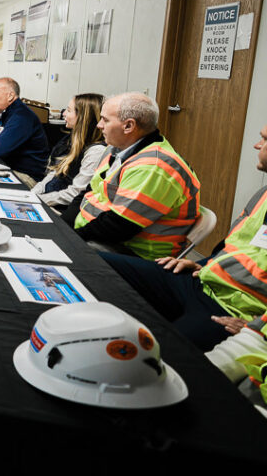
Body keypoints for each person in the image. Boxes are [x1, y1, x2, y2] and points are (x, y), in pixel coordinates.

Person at [100, 123, 266, 351]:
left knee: (160, 355)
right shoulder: (263, 194)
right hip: (202, 281)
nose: (257, 145)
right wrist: (203, 263)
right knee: (96, 264)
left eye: (265, 140)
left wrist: (257, 329)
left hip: (233, 311)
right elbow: (235, 248)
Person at [71, 92, 200, 260]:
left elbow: (118, 227)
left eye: (105, 120)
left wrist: (70, 238)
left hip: (133, 253)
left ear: (128, 126)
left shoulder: (154, 166)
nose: (99, 125)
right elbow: (88, 193)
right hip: (98, 236)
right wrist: (63, 229)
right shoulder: (115, 148)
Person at [30, 93, 106, 211]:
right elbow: (55, 172)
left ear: (83, 117)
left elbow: (75, 193)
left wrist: (39, 199)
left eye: (69, 110)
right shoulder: (71, 139)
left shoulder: (96, 151)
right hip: (49, 197)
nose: (64, 113)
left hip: (62, 208)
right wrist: (33, 193)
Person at [0, 78, 49, 186]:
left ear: (10, 96)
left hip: (26, 176)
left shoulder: (21, 117)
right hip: (7, 167)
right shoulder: (3, 112)